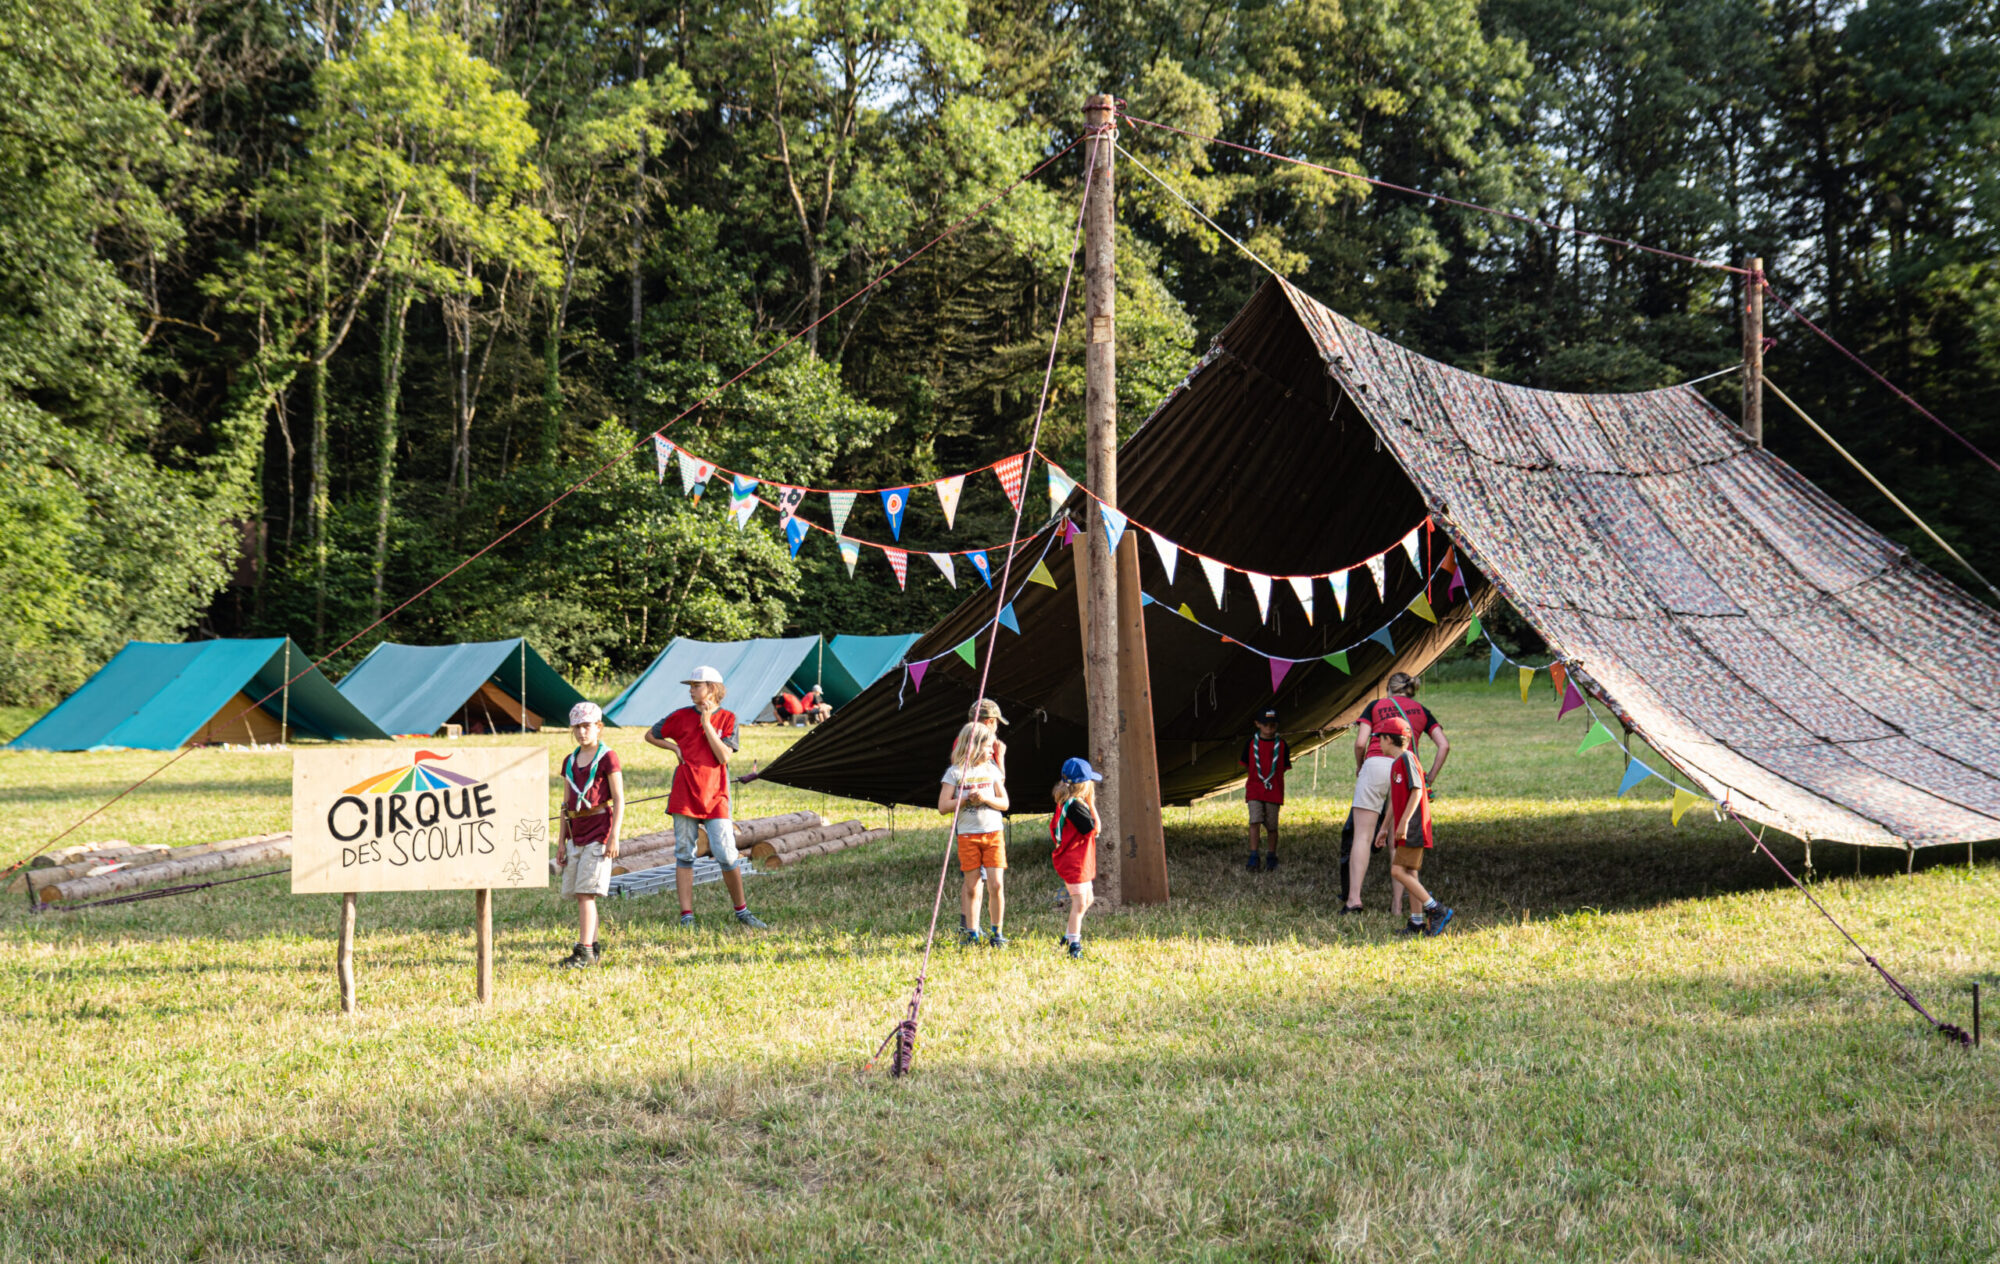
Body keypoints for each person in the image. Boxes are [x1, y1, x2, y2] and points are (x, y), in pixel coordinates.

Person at [644, 666, 768, 929]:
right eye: (690, 686)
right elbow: (650, 735)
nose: (691, 690)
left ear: (712, 688)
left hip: (716, 796)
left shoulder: (729, 718)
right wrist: (673, 747)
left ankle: (742, 912)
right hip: (684, 795)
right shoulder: (679, 716)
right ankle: (686, 916)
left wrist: (706, 722)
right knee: (684, 854)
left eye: (696, 685)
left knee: (726, 854)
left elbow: (723, 756)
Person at [1343, 671, 1450, 914]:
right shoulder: (1422, 711)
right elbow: (1444, 745)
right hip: (1404, 766)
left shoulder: (1375, 706)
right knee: (1396, 839)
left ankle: (1354, 900)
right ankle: (1397, 906)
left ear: (1388, 689)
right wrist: (1429, 778)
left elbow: (1360, 743)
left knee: (1363, 836)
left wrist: (1360, 766)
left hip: (1375, 765)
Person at [554, 702, 623, 969]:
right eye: (577, 727)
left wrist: (614, 836)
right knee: (580, 892)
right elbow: (565, 804)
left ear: (598, 727)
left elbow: (619, 799)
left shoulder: (608, 757)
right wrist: (561, 841)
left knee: (586, 893)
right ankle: (592, 949)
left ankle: (583, 951)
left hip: (599, 831)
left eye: (587, 726)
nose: (582, 732)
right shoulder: (569, 761)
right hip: (576, 832)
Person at [1371, 717, 1454, 936]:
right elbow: (1395, 799)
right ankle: (1417, 922)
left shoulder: (1407, 759)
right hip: (1405, 826)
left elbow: (1417, 790)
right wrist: (1384, 827)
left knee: (1397, 870)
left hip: (1413, 827)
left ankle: (1436, 909)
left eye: (1380, 738)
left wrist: (1405, 822)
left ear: (1389, 739)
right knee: (1410, 873)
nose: (1378, 743)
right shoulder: (1396, 764)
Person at [938, 722, 1011, 946]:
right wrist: (965, 799)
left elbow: (1004, 803)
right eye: (988, 746)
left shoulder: (992, 771)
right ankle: (972, 933)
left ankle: (997, 932)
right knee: (972, 886)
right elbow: (943, 806)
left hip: (993, 834)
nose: (992, 751)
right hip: (968, 836)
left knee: (996, 885)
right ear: (975, 746)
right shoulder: (955, 772)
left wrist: (986, 798)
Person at [1049, 757, 1102, 958]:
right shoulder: (1075, 806)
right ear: (1083, 785)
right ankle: (1074, 945)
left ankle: (1069, 934)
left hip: (1079, 859)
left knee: (1088, 899)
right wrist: (1091, 803)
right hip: (1074, 862)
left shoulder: (1067, 802)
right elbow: (1095, 828)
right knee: (1079, 904)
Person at [1241, 707, 1292, 872]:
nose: (1269, 728)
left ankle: (1271, 855)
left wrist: (1270, 780)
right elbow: (1246, 765)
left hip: (1273, 791)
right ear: (1257, 724)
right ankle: (1253, 855)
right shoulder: (1250, 743)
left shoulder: (1282, 745)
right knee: (1254, 821)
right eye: (1265, 725)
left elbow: (1284, 767)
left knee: (1272, 826)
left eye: (1273, 725)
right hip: (1254, 789)